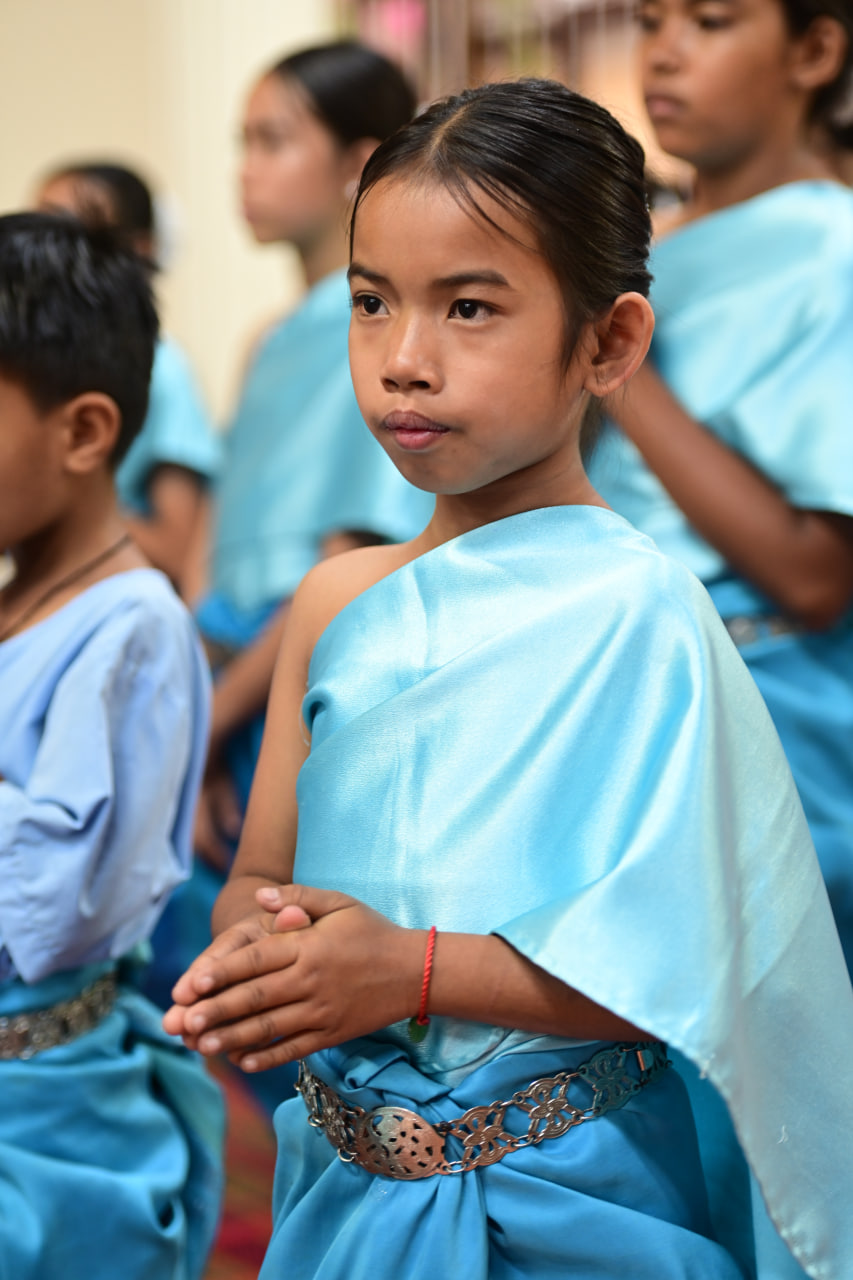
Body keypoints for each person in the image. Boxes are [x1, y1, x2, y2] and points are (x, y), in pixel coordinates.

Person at [165, 80, 853, 1279]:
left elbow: (689, 968)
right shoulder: (333, 603)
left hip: (580, 1200)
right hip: (345, 1196)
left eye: (469, 307)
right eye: (371, 302)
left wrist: (408, 968)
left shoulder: (640, 611)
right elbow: (259, 874)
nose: (403, 360)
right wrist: (259, 946)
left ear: (608, 343)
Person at [147, 43, 434, 1080]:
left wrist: (212, 726)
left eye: (273, 141)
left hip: (294, 669)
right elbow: (213, 539)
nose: (245, 170)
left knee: (283, 965)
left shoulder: (395, 342)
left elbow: (346, 560)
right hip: (223, 669)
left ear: (359, 162)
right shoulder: (270, 340)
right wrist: (187, 694)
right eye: (242, 142)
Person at [586, 0, 853, 982]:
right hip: (608, 682)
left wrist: (620, 367)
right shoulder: (643, 253)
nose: (662, 52)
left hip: (762, 711)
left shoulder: (832, 246)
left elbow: (814, 574)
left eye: (708, 20)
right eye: (649, 20)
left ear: (813, 51)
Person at [0, 213, 223, 1280]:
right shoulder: (17, 598)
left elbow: (52, 910)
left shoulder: (134, 628)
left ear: (84, 431)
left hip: (41, 1116)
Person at [36, 160, 221, 591]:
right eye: (40, 229)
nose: (45, 253)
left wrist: (62, 508)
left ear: (139, 251)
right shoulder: (42, 364)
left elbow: (177, 548)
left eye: (70, 234)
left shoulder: (165, 372)